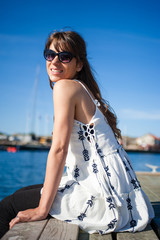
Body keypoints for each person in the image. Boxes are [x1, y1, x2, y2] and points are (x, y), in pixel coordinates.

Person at [0, 30, 154, 238]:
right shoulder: (82, 89)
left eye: (64, 57)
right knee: (21, 194)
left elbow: (59, 149)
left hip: (104, 194)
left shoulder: (64, 87)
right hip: (119, 192)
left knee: (8, 205)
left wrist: (42, 210)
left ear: (79, 64)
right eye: (49, 54)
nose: (54, 61)